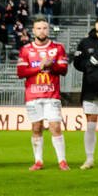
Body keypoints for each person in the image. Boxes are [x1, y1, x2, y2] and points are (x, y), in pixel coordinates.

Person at [17, 16, 71, 171]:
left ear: (48, 29)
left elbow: (64, 70)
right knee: (36, 127)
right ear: (33, 31)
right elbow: (20, 72)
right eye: (39, 28)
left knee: (55, 126)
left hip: (51, 95)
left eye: (45, 28)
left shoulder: (57, 48)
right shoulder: (26, 49)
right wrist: (39, 68)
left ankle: (62, 161)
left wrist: (51, 65)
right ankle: (38, 161)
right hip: (32, 96)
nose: (42, 31)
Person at [72, 18, 98, 169]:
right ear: (95, 24)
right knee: (90, 125)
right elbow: (77, 62)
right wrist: (90, 68)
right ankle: (89, 159)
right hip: (90, 90)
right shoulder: (85, 42)